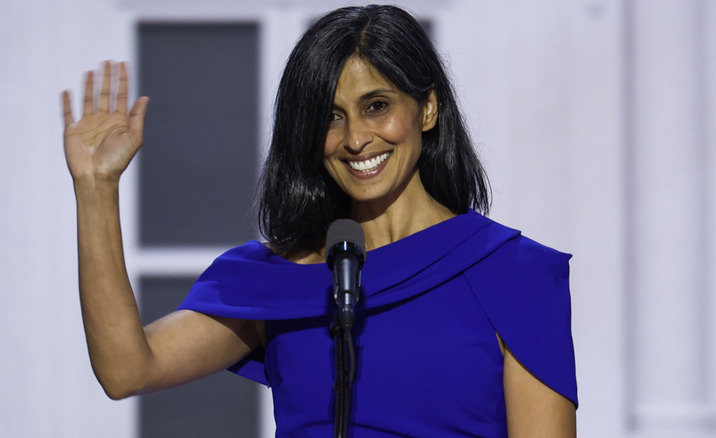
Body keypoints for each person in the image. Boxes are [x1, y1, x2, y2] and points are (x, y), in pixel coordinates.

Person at [61, 5, 577, 437]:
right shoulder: (276, 279)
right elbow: (127, 368)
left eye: (377, 106)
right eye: (331, 117)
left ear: (427, 108)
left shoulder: (513, 273)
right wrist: (96, 188)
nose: (356, 139)